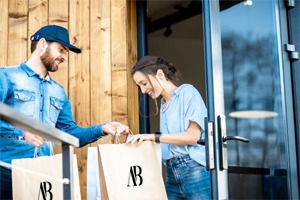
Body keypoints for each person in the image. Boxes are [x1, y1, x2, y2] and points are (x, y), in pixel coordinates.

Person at [0, 25, 129, 199]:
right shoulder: (7, 76)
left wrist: (103, 128)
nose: (64, 57)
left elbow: (70, 134)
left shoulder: (58, 92)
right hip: (6, 172)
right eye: (61, 50)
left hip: (41, 176)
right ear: (43, 44)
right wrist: (22, 133)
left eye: (66, 52)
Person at [126, 55, 211, 200]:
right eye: (139, 86)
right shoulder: (164, 104)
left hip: (194, 171)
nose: (143, 90)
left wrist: (154, 137)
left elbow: (193, 136)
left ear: (160, 74)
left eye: (144, 83)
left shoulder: (187, 92)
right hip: (171, 174)